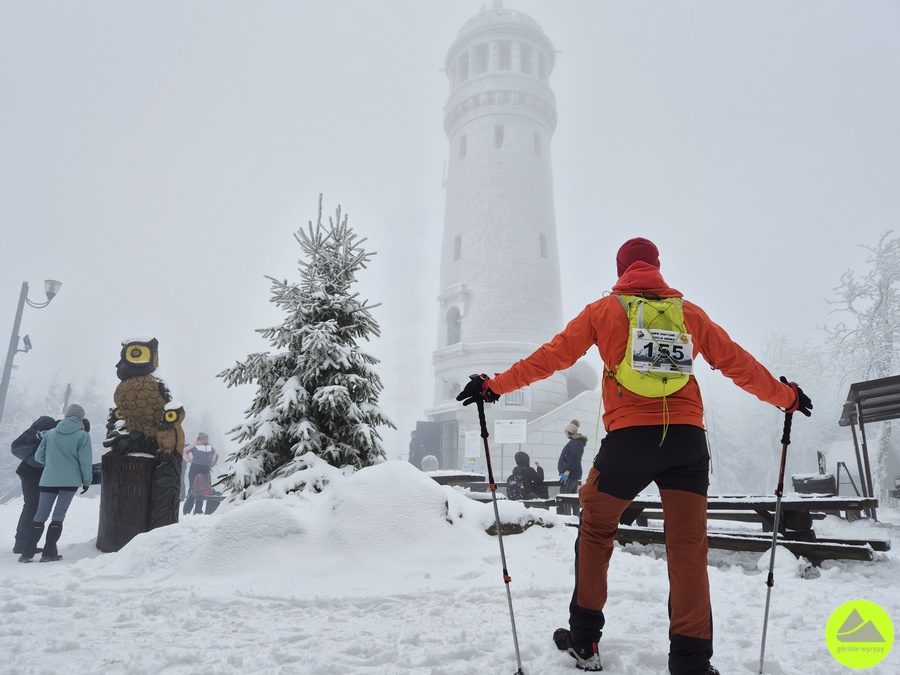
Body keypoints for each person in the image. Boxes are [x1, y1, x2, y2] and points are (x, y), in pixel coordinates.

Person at [457, 237, 812, 674]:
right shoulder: (689, 314)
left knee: (596, 526)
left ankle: (585, 640)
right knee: (687, 549)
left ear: (621, 268)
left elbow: (552, 357)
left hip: (629, 443)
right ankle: (691, 662)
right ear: (657, 267)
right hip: (686, 442)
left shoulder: (604, 311)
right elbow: (737, 362)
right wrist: (786, 397)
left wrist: (494, 386)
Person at [19, 404, 94, 563]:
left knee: (40, 515)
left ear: (67, 416)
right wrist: (86, 481)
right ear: (80, 418)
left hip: (48, 479)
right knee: (58, 516)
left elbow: (39, 457)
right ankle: (48, 553)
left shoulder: (51, 433)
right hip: (69, 481)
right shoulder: (82, 436)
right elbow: (85, 461)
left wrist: (52, 464)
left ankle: (27, 553)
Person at [10, 415, 58, 554]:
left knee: (31, 507)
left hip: (26, 471)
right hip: (33, 473)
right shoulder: (44, 432)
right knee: (32, 507)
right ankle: (22, 544)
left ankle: (22, 542)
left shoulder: (33, 431)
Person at [182, 432, 218, 515]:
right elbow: (184, 451)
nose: (206, 440)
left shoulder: (209, 445)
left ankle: (198, 510)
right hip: (195, 468)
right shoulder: (195, 444)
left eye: (207, 438)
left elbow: (214, 452)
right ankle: (186, 510)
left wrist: (212, 460)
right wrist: (188, 460)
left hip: (206, 468)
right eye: (204, 439)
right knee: (193, 488)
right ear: (200, 439)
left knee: (203, 488)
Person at [557, 419, 587, 516]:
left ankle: (567, 515)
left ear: (569, 432)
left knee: (565, 494)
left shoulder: (575, 443)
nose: (565, 433)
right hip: (572, 472)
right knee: (572, 495)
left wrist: (567, 470)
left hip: (571, 473)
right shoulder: (576, 442)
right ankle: (575, 515)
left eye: (566, 431)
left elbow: (574, 458)